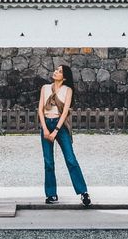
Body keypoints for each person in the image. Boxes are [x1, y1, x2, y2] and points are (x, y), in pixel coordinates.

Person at [38, 64, 91, 206]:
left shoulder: (68, 90)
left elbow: (65, 112)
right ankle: (51, 194)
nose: (56, 72)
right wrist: (45, 129)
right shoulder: (45, 88)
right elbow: (40, 111)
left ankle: (83, 192)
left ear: (65, 77)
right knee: (48, 162)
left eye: (60, 71)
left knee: (70, 159)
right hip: (46, 125)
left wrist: (55, 130)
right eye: (56, 69)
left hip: (60, 127)